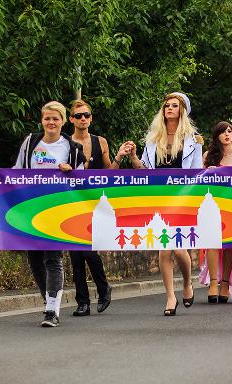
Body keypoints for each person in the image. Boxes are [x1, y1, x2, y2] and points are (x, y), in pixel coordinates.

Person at [0, 101, 86, 327]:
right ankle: (48, 299)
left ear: (63, 121)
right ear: (42, 121)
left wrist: (70, 172)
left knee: (53, 257)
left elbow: (82, 182)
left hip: (58, 208)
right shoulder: (31, 142)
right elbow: (17, 172)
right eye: (47, 118)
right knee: (34, 259)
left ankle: (52, 310)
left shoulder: (72, 148)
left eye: (55, 118)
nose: (51, 122)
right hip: (31, 207)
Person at [128, 92, 201, 316]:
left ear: (182, 111)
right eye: (166, 105)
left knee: (179, 249)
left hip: (182, 198)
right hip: (159, 197)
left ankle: (187, 283)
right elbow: (145, 169)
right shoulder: (153, 139)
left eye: (174, 106)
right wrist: (132, 157)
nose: (169, 109)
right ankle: (170, 297)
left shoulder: (193, 139)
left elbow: (197, 171)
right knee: (163, 250)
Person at [68, 99, 131, 317]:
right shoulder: (65, 143)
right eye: (78, 116)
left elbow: (109, 173)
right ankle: (83, 301)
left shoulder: (100, 142)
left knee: (87, 249)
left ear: (91, 118)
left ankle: (102, 289)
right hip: (73, 202)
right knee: (75, 254)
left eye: (86, 115)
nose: (82, 118)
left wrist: (119, 157)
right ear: (71, 119)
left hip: (95, 203)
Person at [200, 121, 232, 303]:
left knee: (229, 245)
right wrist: (208, 173)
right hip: (213, 204)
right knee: (212, 243)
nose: (227, 134)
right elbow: (198, 182)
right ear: (217, 135)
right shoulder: (208, 155)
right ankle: (213, 282)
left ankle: (225, 284)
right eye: (223, 131)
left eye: (229, 131)